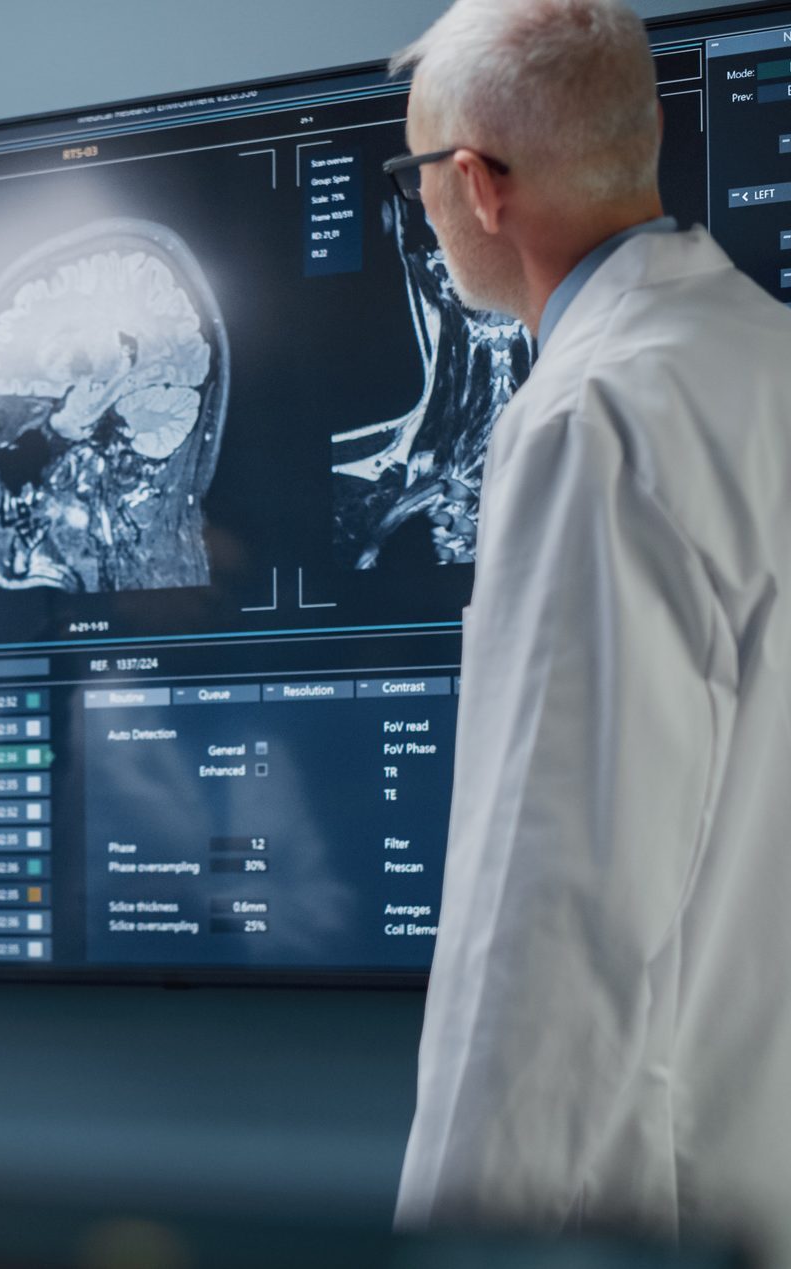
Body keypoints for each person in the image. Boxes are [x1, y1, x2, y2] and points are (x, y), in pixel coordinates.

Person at [387, 0, 791, 1252]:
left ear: (475, 184)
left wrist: (462, 1235)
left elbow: (546, 907)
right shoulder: (762, 360)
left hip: (644, 1199)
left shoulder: (591, 419)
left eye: (419, 180)